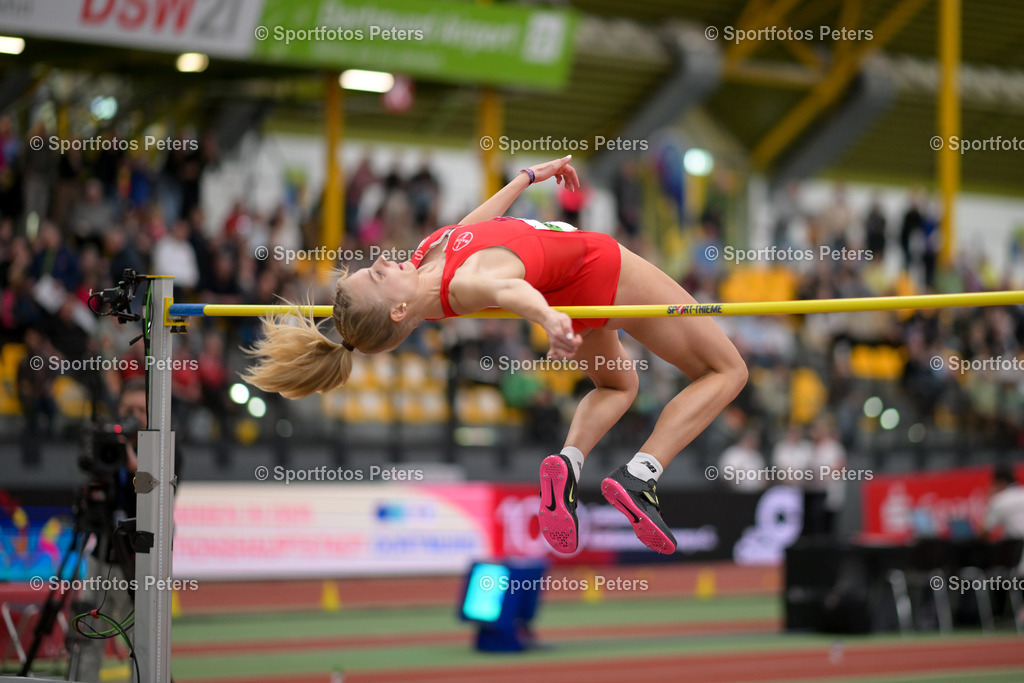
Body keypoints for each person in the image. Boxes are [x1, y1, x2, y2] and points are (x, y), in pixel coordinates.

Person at [243, 155, 748, 555]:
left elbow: (473, 225)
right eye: (376, 275)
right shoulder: (462, 284)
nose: (379, 260)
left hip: (576, 292)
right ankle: (642, 475)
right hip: (603, 272)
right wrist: (549, 320)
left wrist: (527, 178)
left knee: (618, 386)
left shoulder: (424, 263)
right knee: (728, 371)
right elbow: (508, 290)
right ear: (398, 311)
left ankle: (569, 464)